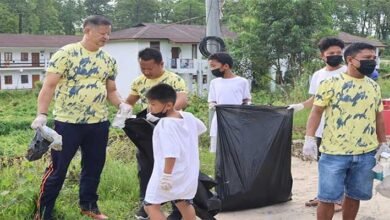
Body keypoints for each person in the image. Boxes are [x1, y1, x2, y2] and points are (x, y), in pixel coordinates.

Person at [30, 15, 132, 220]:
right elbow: (48, 86)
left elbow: (111, 90)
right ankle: (43, 213)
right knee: (58, 169)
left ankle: (89, 206)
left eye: (108, 34)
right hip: (68, 123)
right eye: (102, 33)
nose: (106, 37)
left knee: (94, 166)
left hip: (99, 123)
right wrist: (42, 114)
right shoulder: (66, 54)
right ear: (87, 30)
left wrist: (121, 104)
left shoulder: (108, 60)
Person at [303, 42, 390, 220]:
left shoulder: (373, 86)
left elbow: (378, 117)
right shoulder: (330, 83)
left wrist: (383, 144)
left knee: (354, 196)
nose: (372, 62)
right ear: (351, 60)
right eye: (367, 58)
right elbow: (316, 112)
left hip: (366, 154)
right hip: (334, 153)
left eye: (374, 58)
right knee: (327, 198)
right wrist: (309, 139)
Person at [125, 48, 188, 220]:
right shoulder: (139, 82)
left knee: (174, 169)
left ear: (161, 64)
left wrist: (163, 113)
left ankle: (179, 209)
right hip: (148, 134)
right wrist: (123, 112)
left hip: (170, 130)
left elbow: (182, 100)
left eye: (150, 68)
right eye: (142, 68)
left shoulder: (173, 79)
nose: (146, 72)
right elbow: (129, 102)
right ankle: (146, 205)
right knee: (146, 169)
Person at [288, 37, 346, 211]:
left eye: (338, 53)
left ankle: (339, 199)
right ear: (323, 56)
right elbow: (315, 100)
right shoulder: (318, 75)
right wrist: (300, 106)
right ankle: (323, 196)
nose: (336, 56)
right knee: (324, 164)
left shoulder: (347, 72)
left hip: (342, 128)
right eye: (331, 53)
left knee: (339, 165)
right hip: (322, 128)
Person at [143, 83, 206, 220]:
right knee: (182, 202)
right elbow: (201, 128)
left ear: (169, 105)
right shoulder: (187, 116)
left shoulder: (165, 125)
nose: (150, 108)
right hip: (188, 172)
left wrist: (166, 176)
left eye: (153, 104)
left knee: (150, 206)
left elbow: (171, 153)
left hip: (169, 173)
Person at [208, 52, 251, 152]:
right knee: (219, 151)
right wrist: (214, 106)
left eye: (214, 66)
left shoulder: (242, 82)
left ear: (226, 66)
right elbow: (211, 101)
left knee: (236, 150)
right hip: (219, 122)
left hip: (236, 122)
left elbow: (246, 99)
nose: (212, 69)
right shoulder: (214, 83)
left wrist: (246, 105)